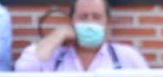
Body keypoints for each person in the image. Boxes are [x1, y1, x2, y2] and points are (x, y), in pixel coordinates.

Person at [14, 0, 148, 72]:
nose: (89, 23)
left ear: (107, 22)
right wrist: (58, 35)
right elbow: (23, 70)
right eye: (83, 17)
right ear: (72, 21)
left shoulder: (126, 57)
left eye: (96, 17)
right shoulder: (54, 56)